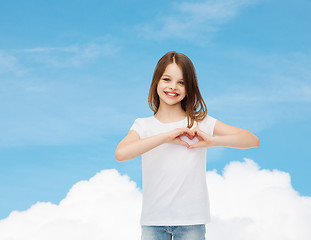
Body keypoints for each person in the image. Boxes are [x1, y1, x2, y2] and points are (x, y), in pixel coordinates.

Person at [115, 51, 260, 240]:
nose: (173, 87)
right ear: (156, 82)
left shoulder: (200, 122)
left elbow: (251, 140)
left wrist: (212, 141)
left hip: (192, 220)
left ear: (189, 87)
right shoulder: (143, 126)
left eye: (181, 82)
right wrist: (165, 136)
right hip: (153, 221)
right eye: (167, 79)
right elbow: (121, 153)